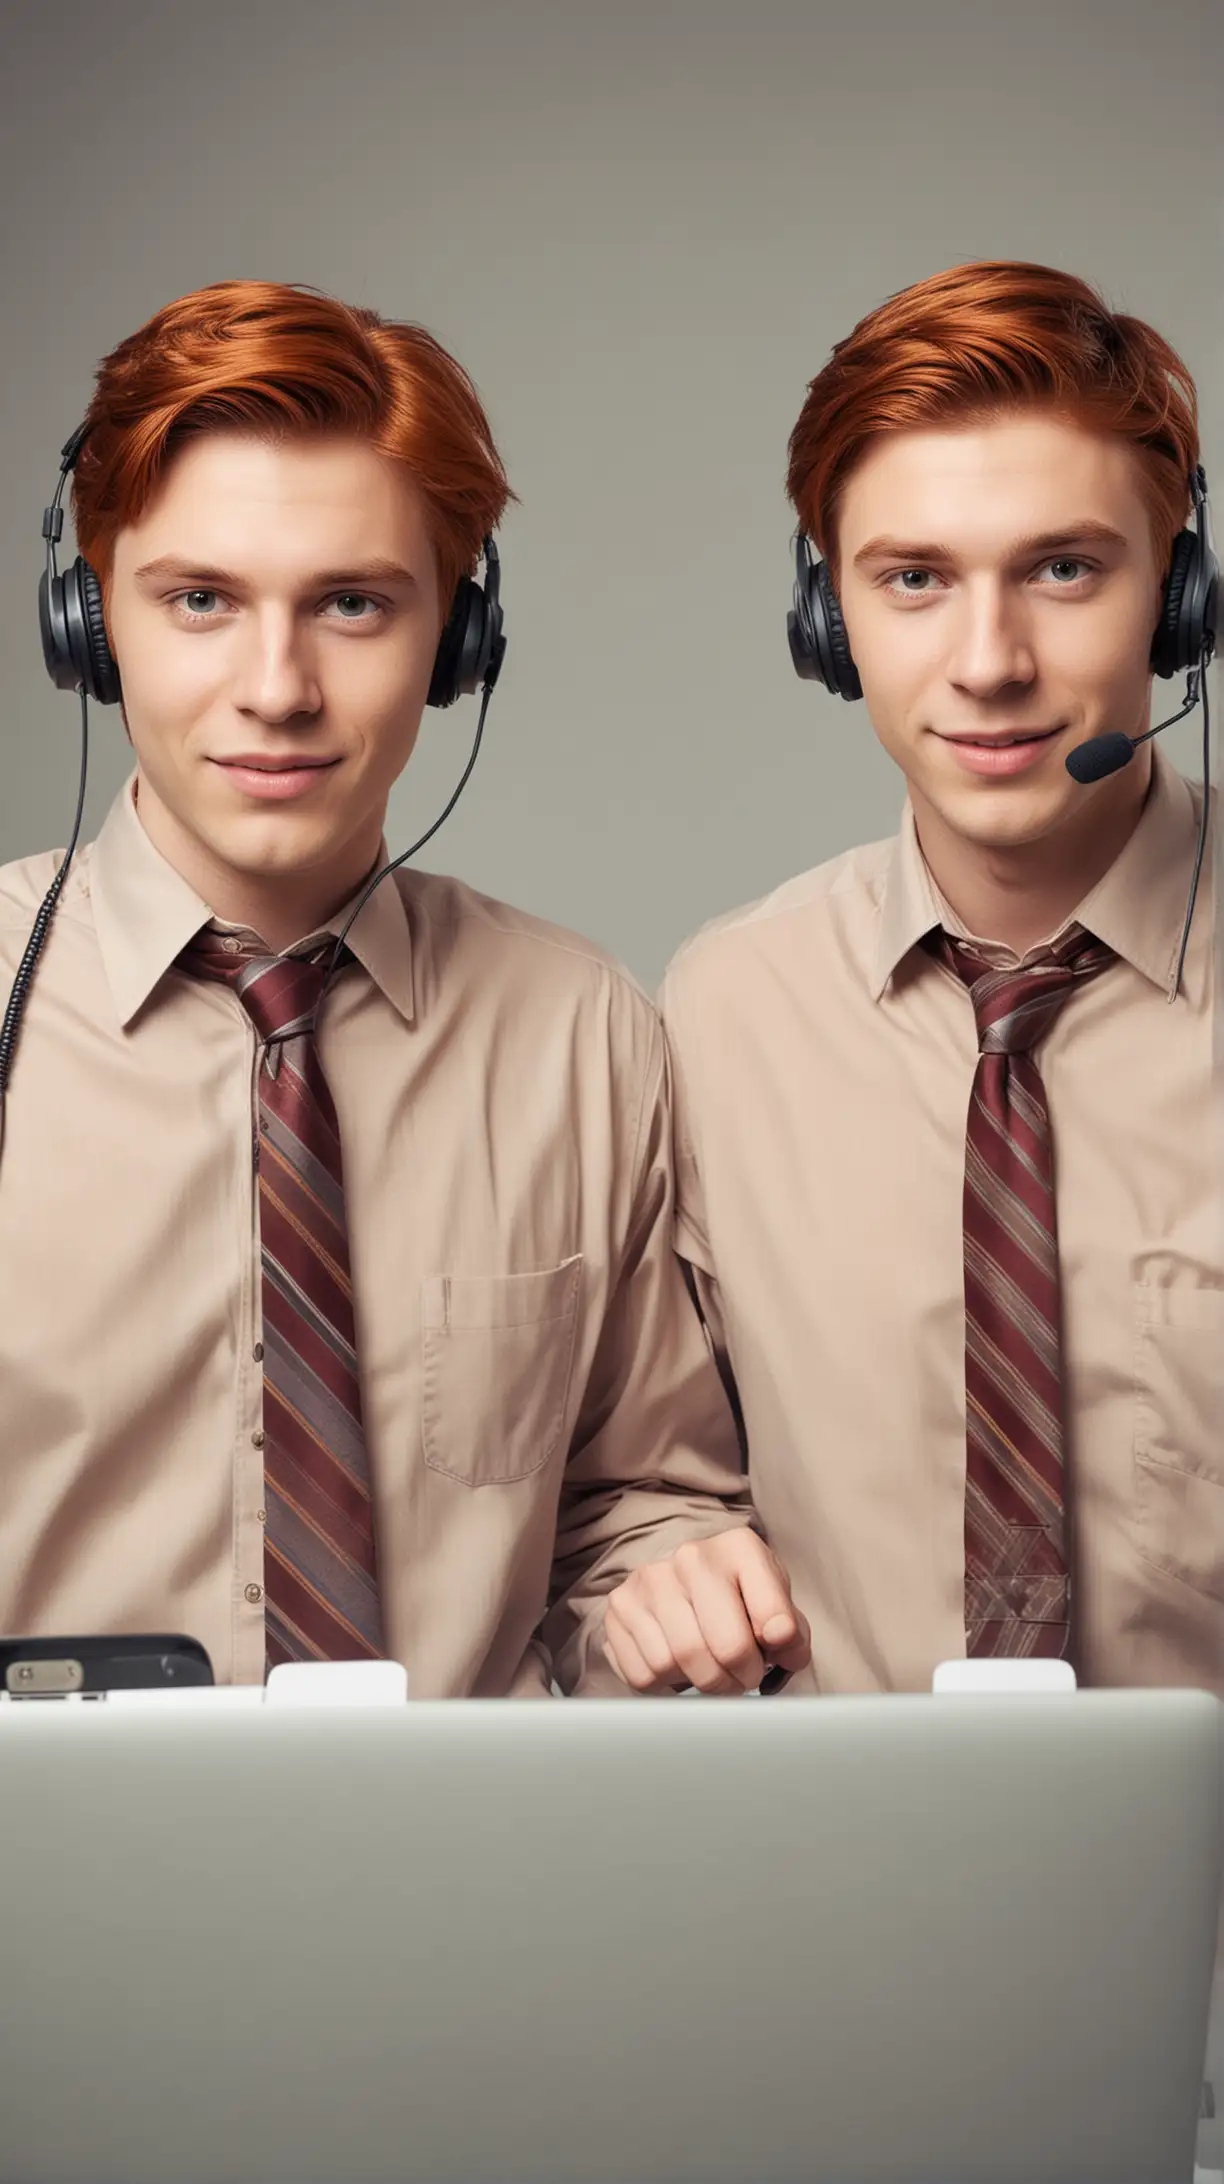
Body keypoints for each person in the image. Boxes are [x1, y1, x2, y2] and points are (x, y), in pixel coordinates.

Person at [0, 277, 795, 1697]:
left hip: (478, 1898)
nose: (277, 686)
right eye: (198, 601)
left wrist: (673, 1581)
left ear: (456, 642)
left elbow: (633, 1509)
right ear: (89, 618)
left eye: (354, 604)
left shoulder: (581, 1034)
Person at [602, 260, 1223, 1699]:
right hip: (843, 1903)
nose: (990, 662)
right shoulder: (724, 1012)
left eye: (1063, 569)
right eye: (915, 581)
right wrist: (659, 1573)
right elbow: (643, 1492)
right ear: (830, 622)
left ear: (1180, 596)